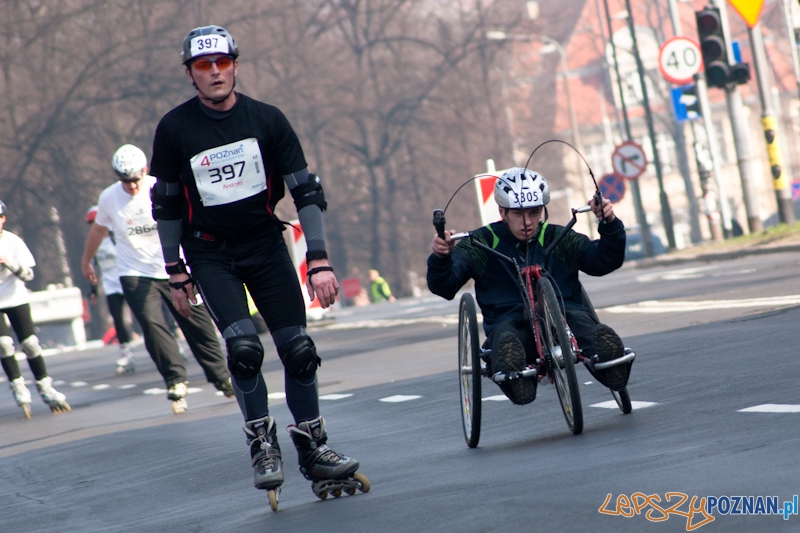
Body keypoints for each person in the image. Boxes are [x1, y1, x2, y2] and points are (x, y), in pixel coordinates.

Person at [149, 25, 363, 499]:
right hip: (209, 252)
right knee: (245, 350)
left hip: (266, 246)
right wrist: (175, 270)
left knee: (299, 350)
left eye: (222, 62)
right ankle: (262, 444)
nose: (214, 72)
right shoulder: (175, 128)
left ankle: (313, 446)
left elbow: (306, 191)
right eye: (203, 66)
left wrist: (321, 261)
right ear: (191, 74)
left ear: (235, 66)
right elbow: (164, 204)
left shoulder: (267, 120)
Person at [427, 167, 629, 404]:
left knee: (583, 323)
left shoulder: (558, 236)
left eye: (534, 213)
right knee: (506, 337)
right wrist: (442, 258)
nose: (528, 222)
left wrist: (610, 224)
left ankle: (610, 362)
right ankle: (517, 379)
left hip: (565, 315)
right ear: (502, 211)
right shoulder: (481, 243)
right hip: (510, 320)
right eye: (518, 214)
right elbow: (445, 286)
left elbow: (603, 261)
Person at [81, 144, 234, 414]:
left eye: (135, 179)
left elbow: (190, 220)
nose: (130, 186)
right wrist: (86, 260)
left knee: (197, 323)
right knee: (153, 326)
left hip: (174, 268)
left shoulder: (162, 188)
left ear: (145, 170)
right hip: (134, 272)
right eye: (124, 181)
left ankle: (221, 377)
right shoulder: (108, 198)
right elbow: (99, 230)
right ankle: (176, 381)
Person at [0, 199, 71, 418]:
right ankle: (18, 386)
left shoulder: (13, 241)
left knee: (29, 343)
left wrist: (10, 263)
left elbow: (29, 275)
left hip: (14, 296)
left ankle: (45, 386)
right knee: (3, 344)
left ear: (3, 219)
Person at [85, 206, 137, 374]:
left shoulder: (117, 238)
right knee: (118, 320)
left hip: (128, 281)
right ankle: (126, 353)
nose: (96, 226)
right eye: (92, 223)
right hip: (110, 286)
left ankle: (171, 342)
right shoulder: (94, 244)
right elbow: (94, 268)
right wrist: (93, 290)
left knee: (145, 315)